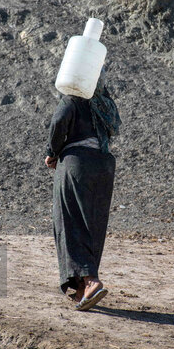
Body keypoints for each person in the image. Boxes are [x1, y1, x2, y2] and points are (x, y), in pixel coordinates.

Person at [44, 70, 121, 311]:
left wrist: (52, 152)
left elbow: (59, 121)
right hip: (104, 165)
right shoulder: (105, 103)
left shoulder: (73, 97)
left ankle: (90, 281)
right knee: (92, 224)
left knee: (71, 222)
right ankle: (81, 289)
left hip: (77, 164)